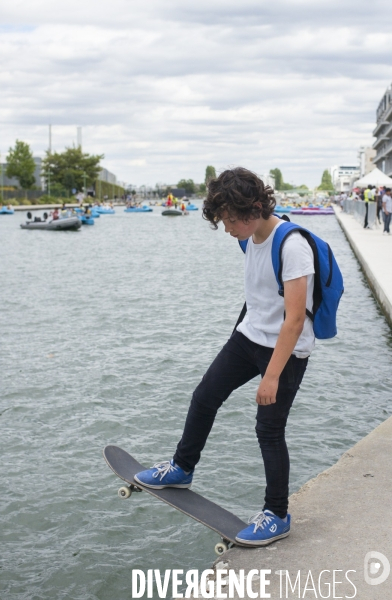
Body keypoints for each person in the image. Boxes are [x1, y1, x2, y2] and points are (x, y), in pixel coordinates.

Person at [134, 167, 316, 546]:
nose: (227, 229)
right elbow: (260, 296)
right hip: (250, 337)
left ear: (254, 209)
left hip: (284, 349)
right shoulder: (248, 239)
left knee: (268, 429)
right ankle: (182, 467)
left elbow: (296, 320)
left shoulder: (292, 245)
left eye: (231, 220)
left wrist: (271, 377)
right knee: (205, 396)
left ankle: (277, 514)